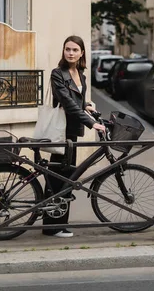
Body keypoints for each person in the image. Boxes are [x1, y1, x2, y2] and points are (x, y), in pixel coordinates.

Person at [42, 35, 106, 238]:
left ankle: (57, 223)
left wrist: (87, 105)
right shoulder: (57, 74)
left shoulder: (81, 74)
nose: (70, 53)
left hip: (72, 132)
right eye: (67, 49)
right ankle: (53, 226)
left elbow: (76, 101)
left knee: (66, 176)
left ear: (82, 53)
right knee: (58, 177)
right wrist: (91, 123)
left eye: (74, 50)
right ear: (63, 51)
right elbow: (67, 103)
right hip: (61, 131)